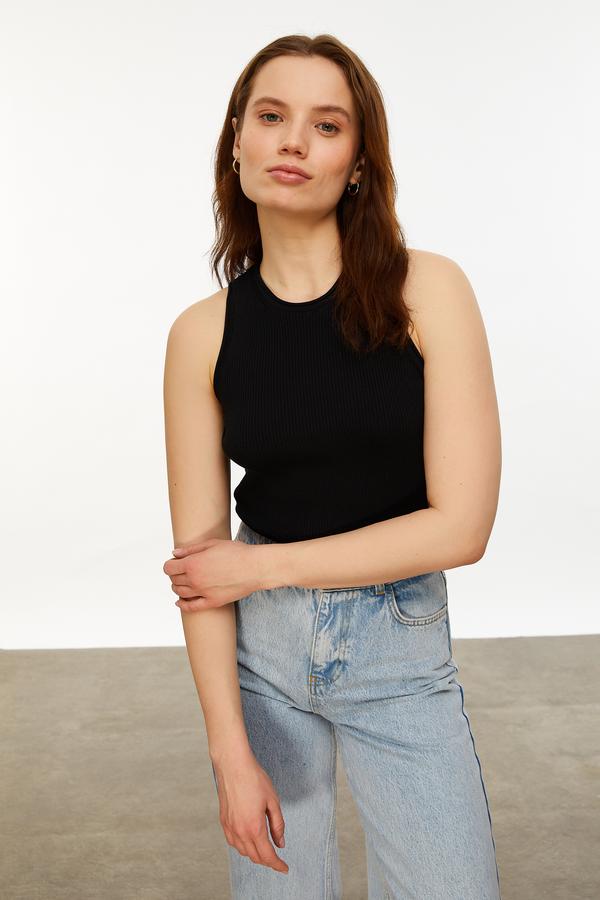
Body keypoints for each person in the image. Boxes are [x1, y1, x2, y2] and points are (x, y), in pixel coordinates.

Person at [162, 33, 503, 900]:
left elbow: (461, 529)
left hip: (399, 653)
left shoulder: (428, 292)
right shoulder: (201, 335)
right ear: (236, 140)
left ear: (357, 163)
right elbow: (202, 572)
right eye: (271, 117)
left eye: (326, 125)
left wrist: (263, 567)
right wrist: (229, 755)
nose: (293, 142)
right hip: (262, 663)